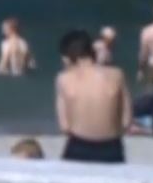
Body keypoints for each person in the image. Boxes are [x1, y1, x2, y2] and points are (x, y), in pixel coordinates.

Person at [55, 29, 131, 163]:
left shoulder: (63, 79)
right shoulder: (117, 75)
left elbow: (64, 126)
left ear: (67, 57)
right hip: (112, 148)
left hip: (78, 147)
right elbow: (126, 121)